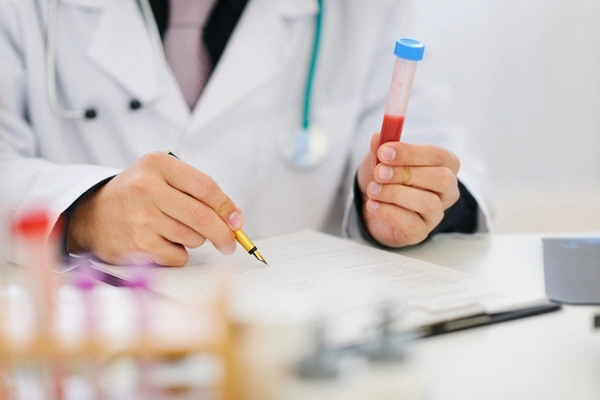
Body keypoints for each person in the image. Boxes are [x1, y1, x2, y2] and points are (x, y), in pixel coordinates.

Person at [0, 0, 490, 267]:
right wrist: (84, 212)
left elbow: (440, 149)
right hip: (96, 345)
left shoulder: (365, 10)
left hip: (296, 345)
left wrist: (402, 201)